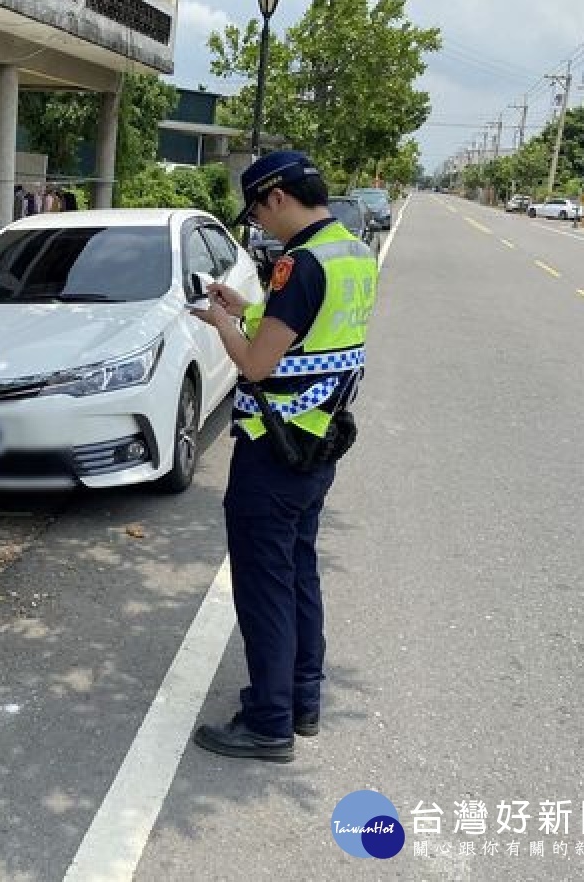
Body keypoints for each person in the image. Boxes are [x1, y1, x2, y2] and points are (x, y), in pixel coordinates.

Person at [189, 150, 378, 762]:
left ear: (276, 198)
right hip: (318, 443)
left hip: (274, 447)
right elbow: (308, 331)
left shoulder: (298, 265)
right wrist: (244, 310)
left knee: (264, 582)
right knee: (298, 569)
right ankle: (302, 699)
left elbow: (255, 364)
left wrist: (220, 321)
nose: (261, 227)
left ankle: (267, 721)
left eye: (258, 213)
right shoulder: (352, 252)